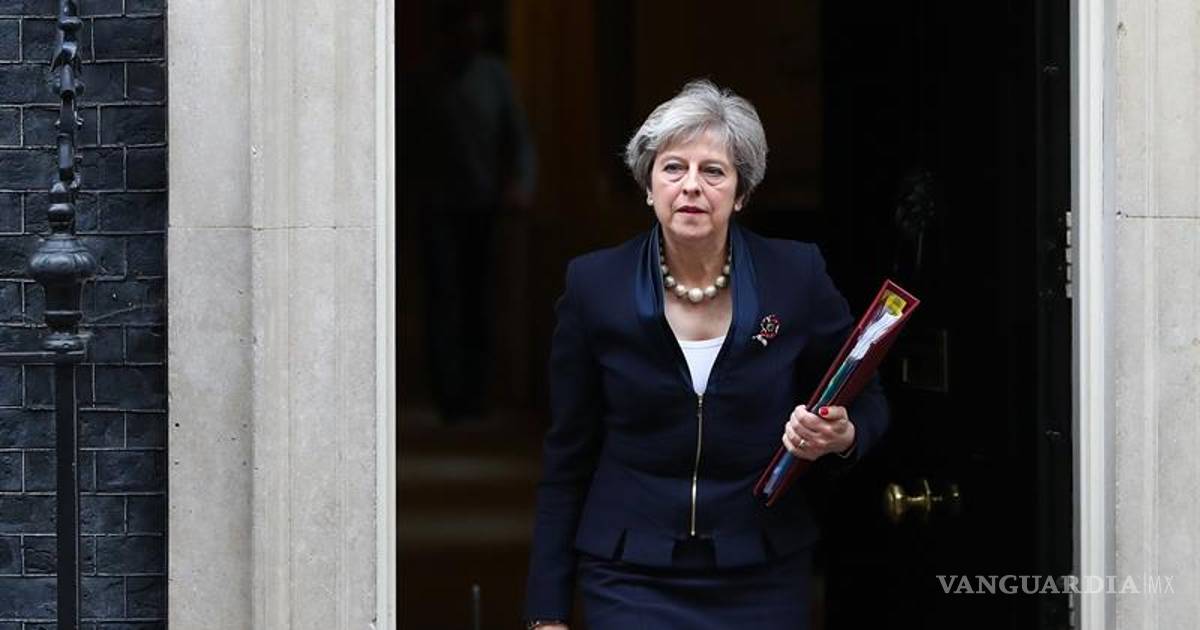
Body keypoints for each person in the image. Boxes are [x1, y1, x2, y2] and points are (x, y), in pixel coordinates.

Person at [522, 79, 890, 630]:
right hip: (629, 571)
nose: (691, 185)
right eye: (673, 168)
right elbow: (567, 455)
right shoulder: (595, 285)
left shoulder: (796, 275)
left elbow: (869, 397)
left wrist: (844, 434)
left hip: (762, 567)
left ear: (741, 192)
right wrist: (546, 612)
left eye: (713, 171)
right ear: (649, 186)